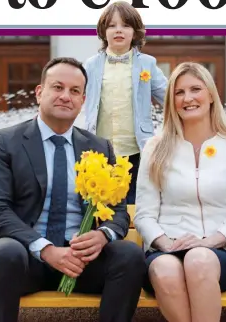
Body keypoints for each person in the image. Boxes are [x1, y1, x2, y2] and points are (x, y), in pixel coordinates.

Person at [0, 57, 146, 322]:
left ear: (82, 100)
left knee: (129, 254)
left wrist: (103, 234)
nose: (66, 96)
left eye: (74, 91)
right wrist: (45, 249)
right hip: (24, 259)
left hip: (81, 262)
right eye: (58, 87)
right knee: (5, 252)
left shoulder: (100, 147)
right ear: (39, 92)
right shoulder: (4, 142)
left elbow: (119, 211)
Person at [134, 62, 226, 322]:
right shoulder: (156, 148)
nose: (187, 98)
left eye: (195, 89)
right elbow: (143, 215)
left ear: (211, 95)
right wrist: (166, 244)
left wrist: (211, 241)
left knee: (199, 259)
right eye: (179, 92)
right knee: (165, 269)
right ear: (171, 101)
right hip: (168, 248)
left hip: (222, 250)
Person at [83, 1, 167, 204]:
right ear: (103, 31)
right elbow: (74, 97)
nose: (118, 30)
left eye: (125, 25)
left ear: (135, 32)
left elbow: (171, 97)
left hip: (136, 150)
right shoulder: (91, 65)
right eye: (112, 25)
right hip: (99, 151)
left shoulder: (147, 64)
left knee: (134, 205)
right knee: (98, 204)